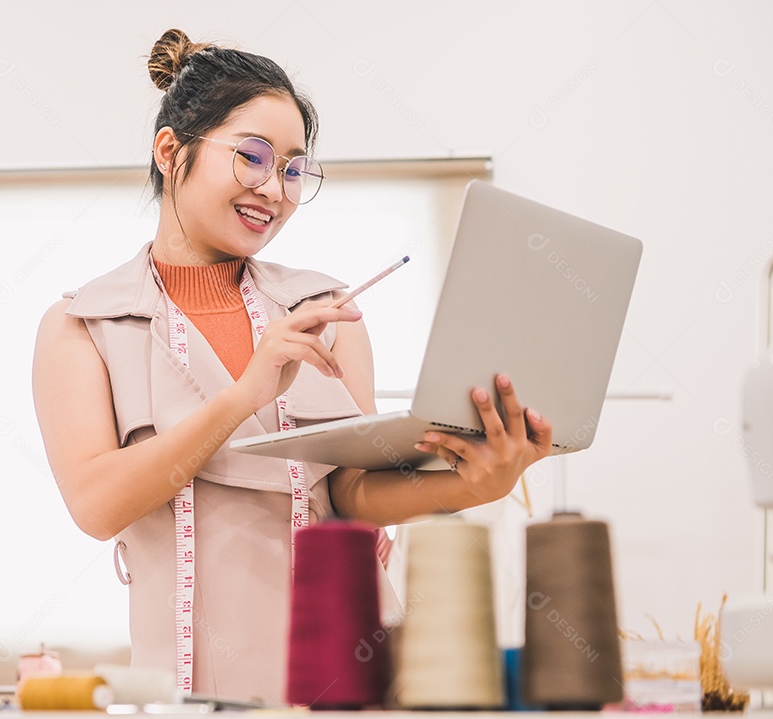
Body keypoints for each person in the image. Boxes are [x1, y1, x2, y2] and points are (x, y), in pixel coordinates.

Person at [32, 28, 552, 704]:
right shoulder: (84, 324)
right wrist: (245, 393)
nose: (273, 190)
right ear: (170, 152)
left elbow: (351, 495)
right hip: (192, 683)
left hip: (351, 665)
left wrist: (471, 485)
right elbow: (98, 504)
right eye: (251, 157)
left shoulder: (323, 311)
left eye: (292, 169)